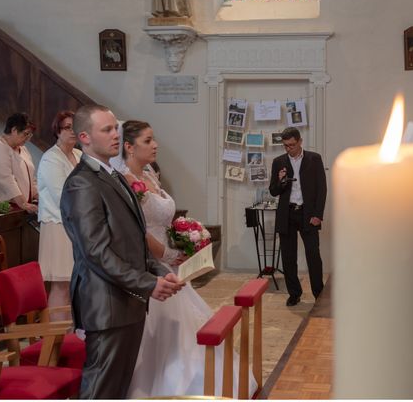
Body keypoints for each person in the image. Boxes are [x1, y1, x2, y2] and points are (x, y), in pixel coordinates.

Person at [113, 120, 257, 398]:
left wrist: (185, 238)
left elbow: (163, 217)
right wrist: (167, 254)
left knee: (189, 328)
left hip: (169, 262)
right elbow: (138, 232)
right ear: (129, 147)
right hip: (150, 264)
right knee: (164, 335)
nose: (155, 145)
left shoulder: (150, 175)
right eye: (147, 140)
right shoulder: (127, 182)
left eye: (153, 139)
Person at [60, 105, 183, 399]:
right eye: (107, 130)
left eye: (115, 128)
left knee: (119, 388)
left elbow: (133, 241)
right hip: (106, 305)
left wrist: (159, 272)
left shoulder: (113, 175)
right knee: (101, 390)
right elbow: (97, 252)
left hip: (128, 302)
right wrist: (147, 284)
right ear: (84, 137)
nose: (116, 134)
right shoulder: (81, 183)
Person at [269, 127, 326, 306]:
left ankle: (319, 294)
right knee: (288, 257)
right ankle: (294, 294)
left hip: (307, 214)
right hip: (287, 214)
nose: (289, 149)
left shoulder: (314, 159)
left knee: (313, 256)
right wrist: (280, 180)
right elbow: (273, 191)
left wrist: (318, 215)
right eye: (285, 146)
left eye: (292, 145)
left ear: (300, 141)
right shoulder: (278, 162)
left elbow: (321, 189)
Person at [37, 110, 82, 319]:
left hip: (76, 225)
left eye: (75, 127)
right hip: (58, 225)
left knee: (75, 283)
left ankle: (72, 332)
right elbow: (61, 195)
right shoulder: (50, 158)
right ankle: (55, 339)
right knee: (62, 284)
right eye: (67, 127)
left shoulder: (80, 155)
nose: (72, 131)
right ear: (57, 131)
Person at [0, 112, 38, 213]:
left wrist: (38, 195)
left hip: (22, 205)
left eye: (30, 135)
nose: (28, 138)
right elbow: (6, 179)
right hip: (5, 206)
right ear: (14, 130)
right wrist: (23, 203)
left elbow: (31, 177)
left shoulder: (23, 149)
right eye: (26, 134)